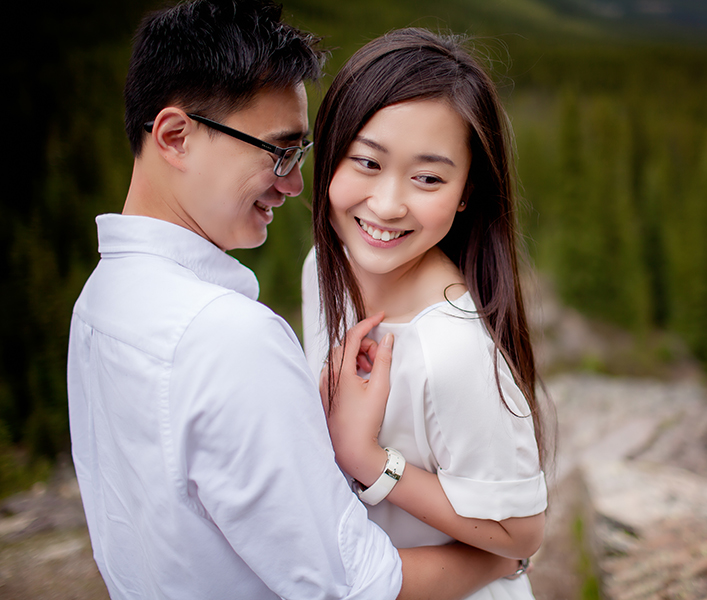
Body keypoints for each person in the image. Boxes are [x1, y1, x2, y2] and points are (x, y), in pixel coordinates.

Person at [66, 2, 518, 598]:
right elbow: (348, 584)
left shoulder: (100, 303)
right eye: (279, 151)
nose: (294, 183)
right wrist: (497, 561)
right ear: (175, 136)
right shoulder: (227, 337)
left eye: (302, 155)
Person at [302, 28, 550, 599]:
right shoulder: (324, 267)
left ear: (466, 192)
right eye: (366, 161)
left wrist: (368, 460)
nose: (387, 204)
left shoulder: (454, 349)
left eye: (429, 178)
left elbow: (522, 533)